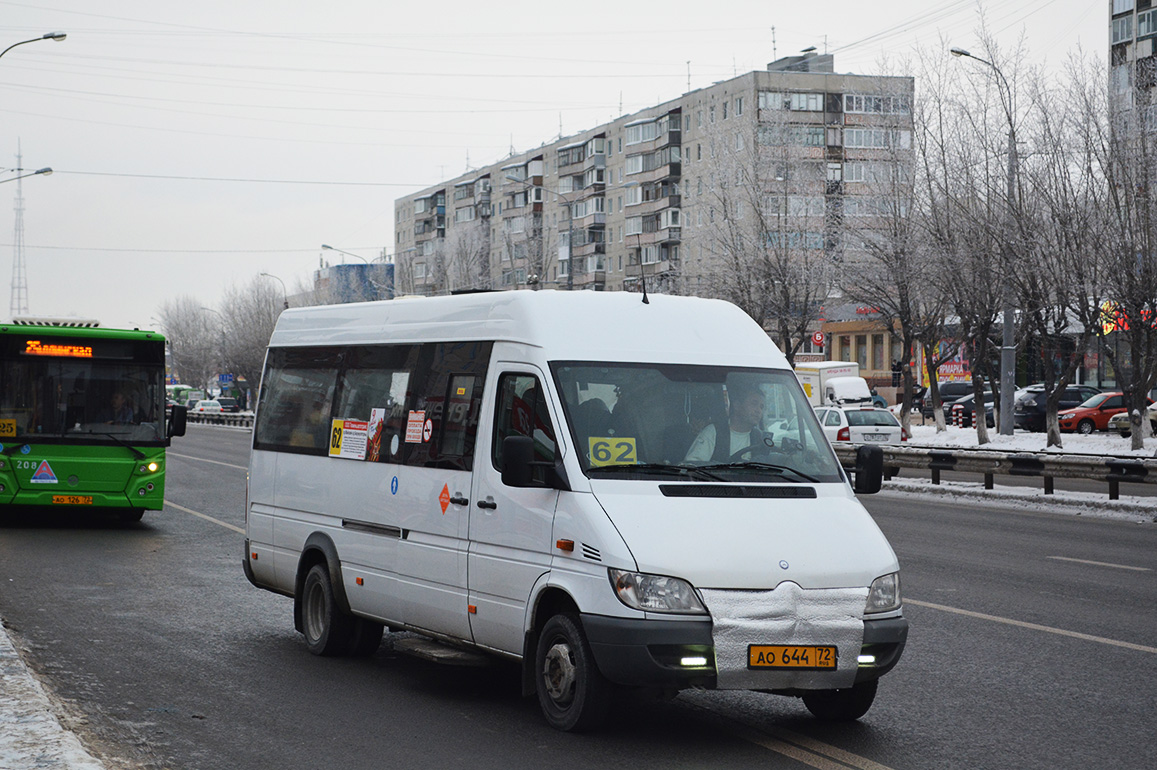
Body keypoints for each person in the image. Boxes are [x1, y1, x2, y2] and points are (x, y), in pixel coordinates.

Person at [684, 383, 765, 463]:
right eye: (754, 404)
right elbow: (692, 466)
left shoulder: (760, 438)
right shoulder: (713, 432)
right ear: (737, 405)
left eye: (761, 407)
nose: (758, 411)